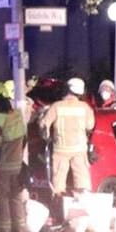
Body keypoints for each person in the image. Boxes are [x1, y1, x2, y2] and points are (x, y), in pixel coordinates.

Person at [41, 77, 95, 211]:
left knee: (58, 184)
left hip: (61, 150)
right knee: (82, 182)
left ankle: (59, 210)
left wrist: (46, 137)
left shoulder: (56, 106)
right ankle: (82, 211)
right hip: (79, 150)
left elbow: (44, 125)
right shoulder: (85, 108)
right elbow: (90, 126)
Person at [0, 91, 28, 232]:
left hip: (1, 168)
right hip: (17, 166)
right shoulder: (17, 116)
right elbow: (24, 140)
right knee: (16, 199)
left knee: (0, 201)